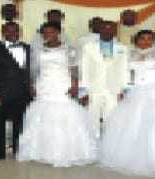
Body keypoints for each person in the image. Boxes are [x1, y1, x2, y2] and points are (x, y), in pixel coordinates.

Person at [100, 30, 155, 176]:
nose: (145, 42)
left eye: (149, 39)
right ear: (137, 40)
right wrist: (124, 89)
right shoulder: (130, 54)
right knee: (131, 124)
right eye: (142, 39)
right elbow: (128, 75)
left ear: (153, 41)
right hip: (136, 90)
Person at [18, 22, 97, 167]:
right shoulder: (39, 50)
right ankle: (41, 151)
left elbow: (74, 69)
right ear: (42, 35)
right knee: (43, 115)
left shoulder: (69, 49)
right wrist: (32, 85)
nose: (49, 35)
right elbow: (34, 70)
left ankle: (69, 152)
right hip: (44, 86)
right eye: (46, 33)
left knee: (66, 114)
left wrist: (75, 86)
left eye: (52, 32)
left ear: (58, 33)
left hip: (63, 85)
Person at [0, 22, 30, 159]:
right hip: (0, 94)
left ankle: (18, 150)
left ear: (19, 32)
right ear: (3, 32)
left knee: (20, 123)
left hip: (23, 93)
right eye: (8, 31)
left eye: (15, 30)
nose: (12, 33)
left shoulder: (28, 48)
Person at [80, 21, 129, 138]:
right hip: (94, 89)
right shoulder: (88, 47)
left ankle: (109, 144)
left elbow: (125, 69)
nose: (107, 32)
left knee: (112, 120)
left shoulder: (122, 48)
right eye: (104, 29)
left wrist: (125, 89)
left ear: (115, 32)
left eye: (110, 29)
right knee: (92, 120)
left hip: (114, 89)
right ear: (99, 31)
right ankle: (92, 145)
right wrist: (83, 91)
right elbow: (84, 69)